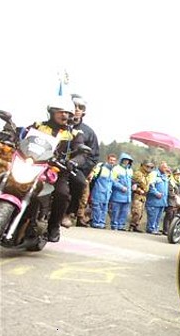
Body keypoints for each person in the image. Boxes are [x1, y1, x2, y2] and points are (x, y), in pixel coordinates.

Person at [27, 96, 87, 242]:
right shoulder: (37, 125)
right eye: (60, 111)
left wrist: (73, 161)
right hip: (33, 166)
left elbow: (82, 153)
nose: (64, 115)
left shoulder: (74, 133)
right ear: (52, 112)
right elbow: (22, 135)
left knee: (62, 193)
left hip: (57, 171)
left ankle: (53, 226)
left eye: (67, 113)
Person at [67, 94, 100, 228]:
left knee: (80, 183)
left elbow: (93, 156)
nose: (76, 109)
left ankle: (69, 213)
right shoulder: (55, 124)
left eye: (80, 107)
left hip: (73, 168)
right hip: (46, 163)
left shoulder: (88, 132)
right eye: (74, 106)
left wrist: (78, 166)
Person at [89, 153, 117, 229]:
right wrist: (91, 174)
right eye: (111, 160)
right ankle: (96, 222)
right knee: (97, 207)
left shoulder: (112, 171)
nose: (112, 162)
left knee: (104, 209)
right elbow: (93, 174)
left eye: (114, 160)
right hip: (98, 191)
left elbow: (113, 182)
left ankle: (101, 223)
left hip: (107, 194)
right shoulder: (101, 167)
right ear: (107, 160)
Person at [128, 160, 154, 232]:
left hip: (144, 196)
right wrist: (139, 189)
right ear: (142, 165)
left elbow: (147, 185)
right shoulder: (138, 173)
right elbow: (134, 183)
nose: (149, 168)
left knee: (141, 212)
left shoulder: (148, 176)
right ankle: (131, 226)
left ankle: (135, 226)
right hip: (137, 194)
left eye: (151, 167)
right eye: (147, 166)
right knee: (136, 211)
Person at [110, 153, 134, 231]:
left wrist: (134, 185)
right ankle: (114, 225)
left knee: (125, 211)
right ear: (121, 160)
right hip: (118, 194)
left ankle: (121, 225)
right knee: (115, 211)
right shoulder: (116, 169)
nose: (126, 162)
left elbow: (132, 181)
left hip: (128, 195)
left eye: (128, 160)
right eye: (125, 160)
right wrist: (121, 187)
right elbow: (112, 180)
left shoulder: (130, 170)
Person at [145, 161, 170, 235]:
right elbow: (150, 185)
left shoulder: (165, 176)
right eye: (164, 167)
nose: (166, 169)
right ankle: (151, 228)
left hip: (162, 201)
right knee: (153, 216)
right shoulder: (154, 174)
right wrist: (156, 193)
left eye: (166, 167)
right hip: (154, 200)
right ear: (160, 167)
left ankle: (155, 228)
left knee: (158, 217)